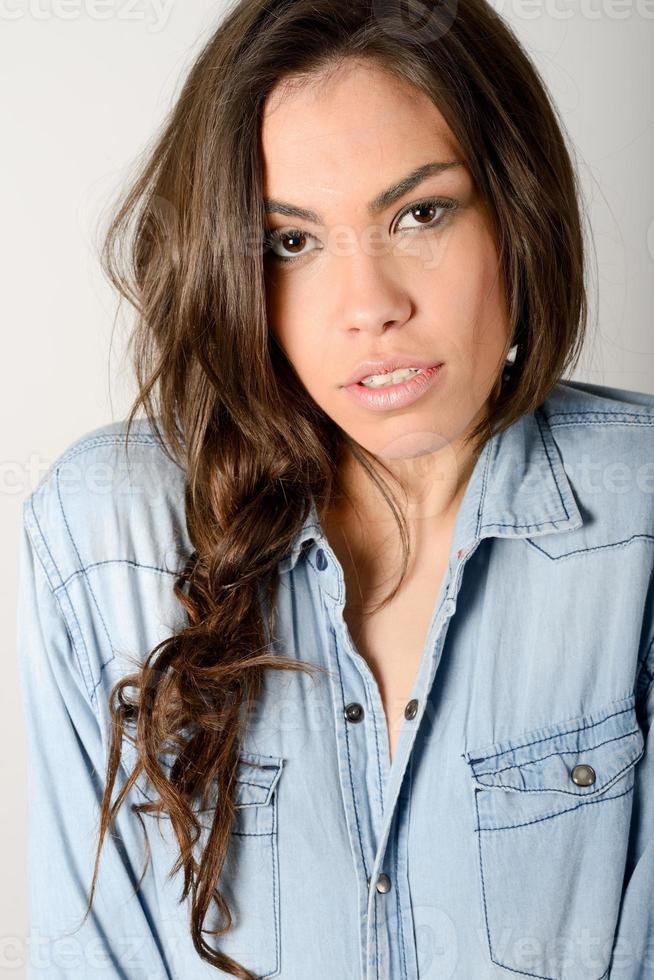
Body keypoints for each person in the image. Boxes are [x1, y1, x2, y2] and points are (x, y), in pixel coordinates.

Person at [15, 0, 654, 977]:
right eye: (292, 242)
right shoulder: (103, 533)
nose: (372, 308)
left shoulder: (640, 513)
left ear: (516, 215)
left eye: (421, 214)